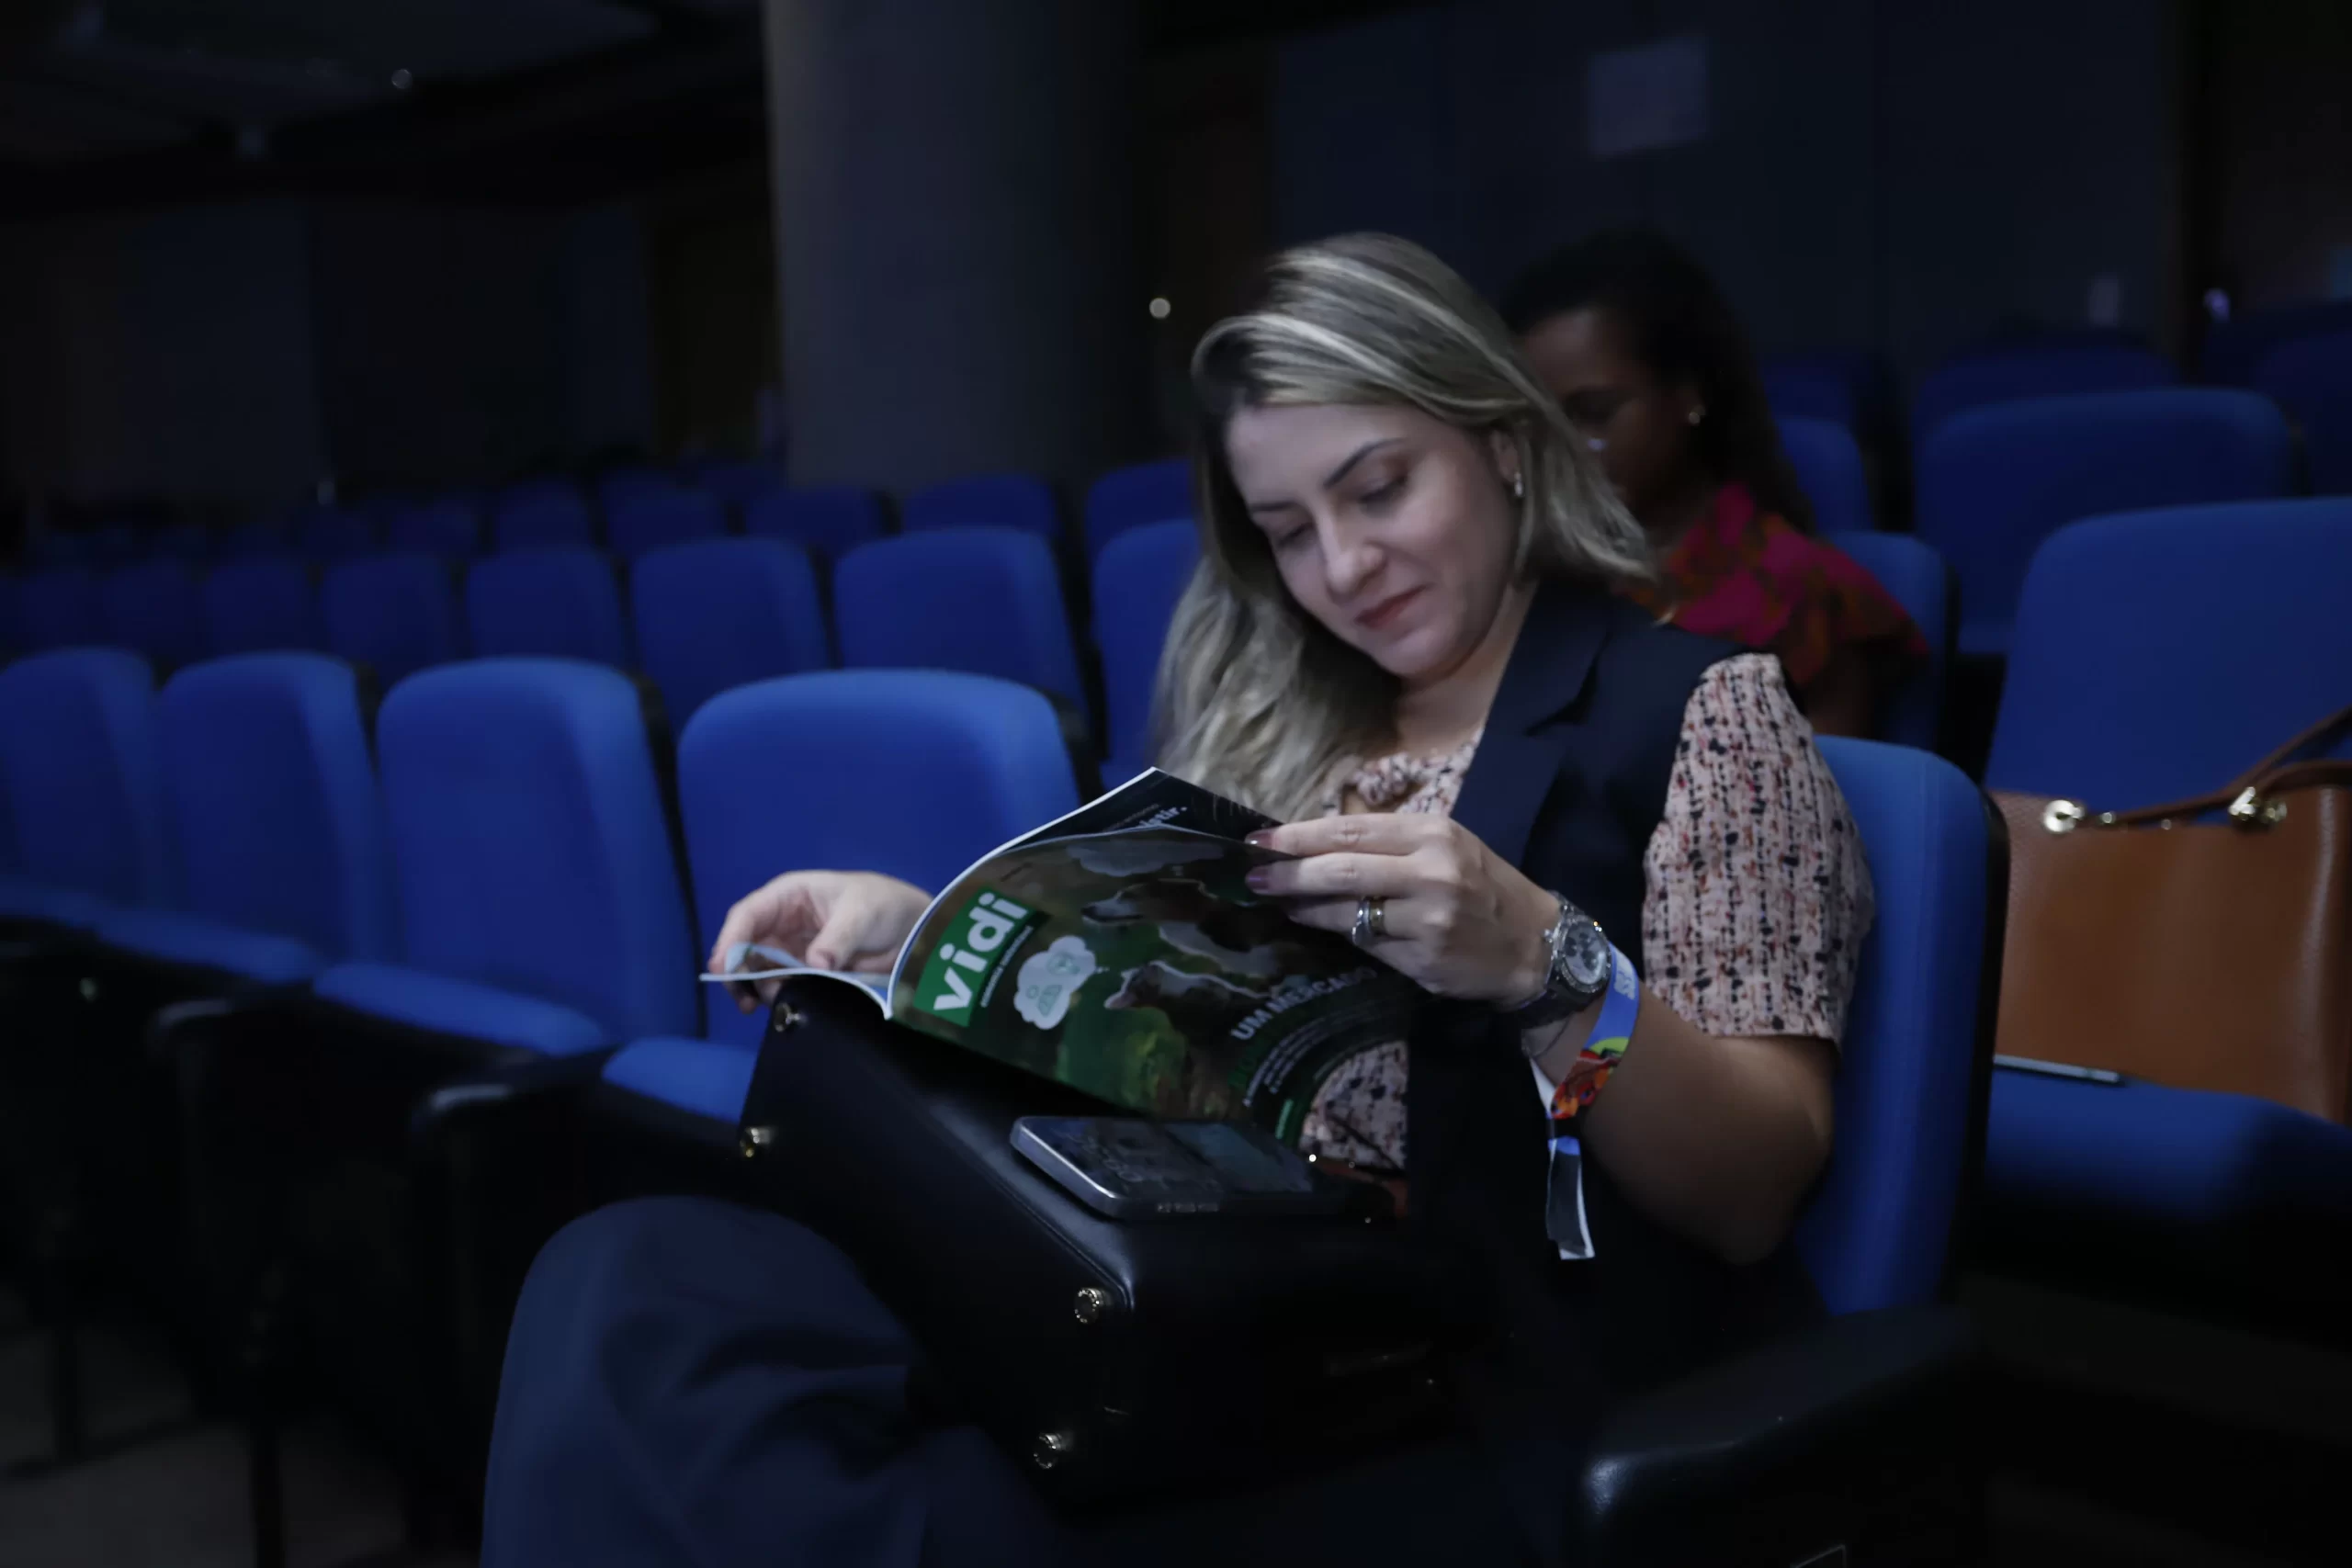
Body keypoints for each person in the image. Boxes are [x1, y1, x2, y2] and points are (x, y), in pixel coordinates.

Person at [480, 234, 1876, 1568]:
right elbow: (1164, 1039)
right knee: (623, 1285)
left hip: (1453, 1376)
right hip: (1181, 1286)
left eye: (1380, 488)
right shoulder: (1271, 724)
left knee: (845, 1504)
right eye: (1289, 530)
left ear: (1504, 445)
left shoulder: (1696, 715)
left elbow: (1752, 1189)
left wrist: (1547, 966)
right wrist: (930, 941)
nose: (1344, 567)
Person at [1502, 229, 1926, 739]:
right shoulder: (1524, 579)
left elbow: (1818, 786)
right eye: (1542, 423)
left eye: (1595, 412)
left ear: (1689, 393)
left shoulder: (1793, 591)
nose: (1566, 449)